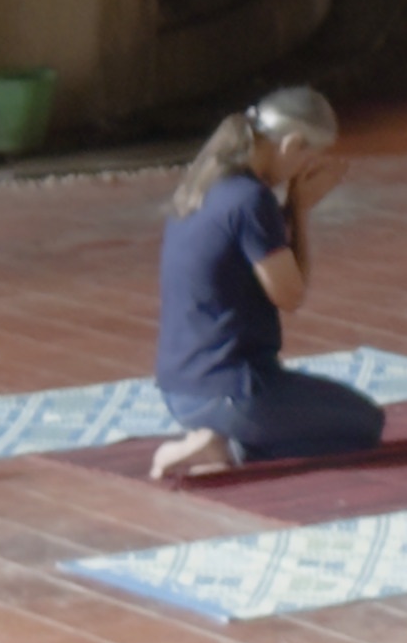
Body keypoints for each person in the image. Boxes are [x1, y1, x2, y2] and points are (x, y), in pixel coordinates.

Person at [149, 87, 380, 481]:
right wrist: (299, 209)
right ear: (291, 144)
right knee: (364, 424)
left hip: (180, 390)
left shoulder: (204, 184)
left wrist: (289, 209)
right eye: (308, 156)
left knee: (336, 411)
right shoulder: (251, 199)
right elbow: (290, 295)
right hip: (230, 391)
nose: (305, 168)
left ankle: (220, 437)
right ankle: (228, 447)